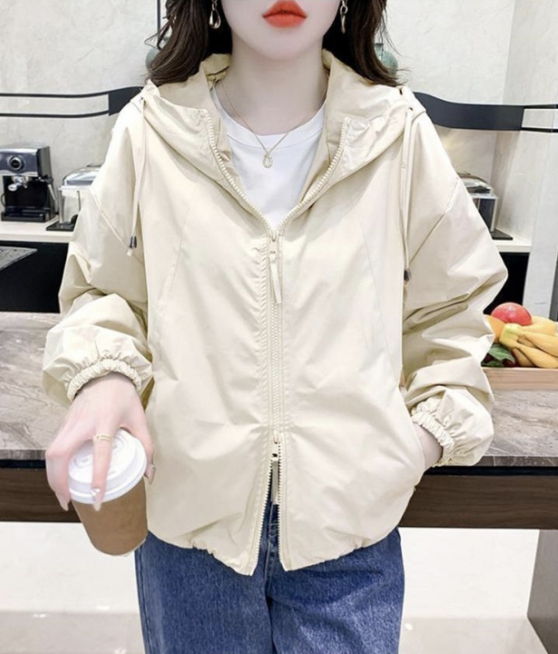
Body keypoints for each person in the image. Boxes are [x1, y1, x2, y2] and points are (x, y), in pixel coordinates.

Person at [42, 0, 509, 652]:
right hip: (189, 527)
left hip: (347, 532)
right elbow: (103, 290)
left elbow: (452, 308)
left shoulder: (397, 133)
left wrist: (422, 440)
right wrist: (105, 375)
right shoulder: (150, 129)